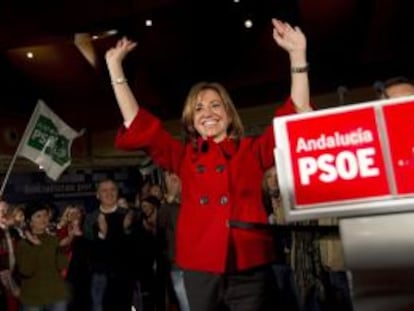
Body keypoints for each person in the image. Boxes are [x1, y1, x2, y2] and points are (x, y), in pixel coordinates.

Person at [105, 18, 311, 310]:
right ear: (192, 120)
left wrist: (297, 55)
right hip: (200, 269)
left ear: (228, 114)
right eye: (198, 108)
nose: (208, 112)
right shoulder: (182, 156)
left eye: (216, 105)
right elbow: (137, 123)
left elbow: (296, 115)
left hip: (248, 266)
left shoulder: (252, 150)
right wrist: (115, 69)